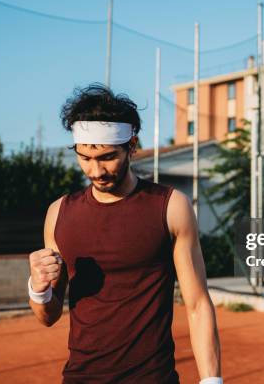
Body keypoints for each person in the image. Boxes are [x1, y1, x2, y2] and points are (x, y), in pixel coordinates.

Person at [27, 84, 222, 383]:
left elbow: (197, 303)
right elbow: (48, 316)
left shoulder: (170, 207)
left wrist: (212, 381)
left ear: (131, 146)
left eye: (106, 157)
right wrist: (38, 288)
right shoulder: (58, 213)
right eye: (85, 158)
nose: (95, 171)